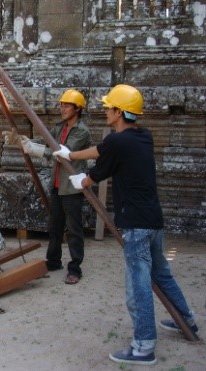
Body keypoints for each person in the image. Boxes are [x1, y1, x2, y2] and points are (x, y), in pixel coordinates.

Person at [53, 84, 199, 365]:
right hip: (154, 221)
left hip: (135, 226)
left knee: (138, 285)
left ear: (119, 112)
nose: (106, 111)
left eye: (109, 107)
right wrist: (69, 155)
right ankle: (186, 320)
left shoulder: (119, 142)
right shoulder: (143, 136)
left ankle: (144, 346)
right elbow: (102, 149)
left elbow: (98, 171)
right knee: (162, 274)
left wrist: (80, 180)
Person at [5, 89, 92, 284]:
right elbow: (46, 141)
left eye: (67, 105)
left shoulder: (81, 132)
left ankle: (75, 268)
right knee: (54, 227)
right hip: (57, 185)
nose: (62, 109)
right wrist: (23, 140)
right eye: (61, 105)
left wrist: (33, 149)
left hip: (71, 188)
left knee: (74, 230)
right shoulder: (60, 127)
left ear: (77, 108)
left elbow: (62, 152)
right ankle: (53, 261)